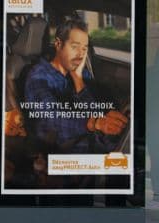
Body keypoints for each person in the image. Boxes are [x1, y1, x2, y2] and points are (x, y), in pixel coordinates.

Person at [22, 19, 127, 155]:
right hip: (63, 151)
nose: (81, 54)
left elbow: (94, 111)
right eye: (75, 47)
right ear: (59, 44)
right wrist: (95, 123)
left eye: (84, 48)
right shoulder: (38, 77)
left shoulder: (79, 71)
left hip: (93, 143)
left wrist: (78, 81)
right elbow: (52, 118)